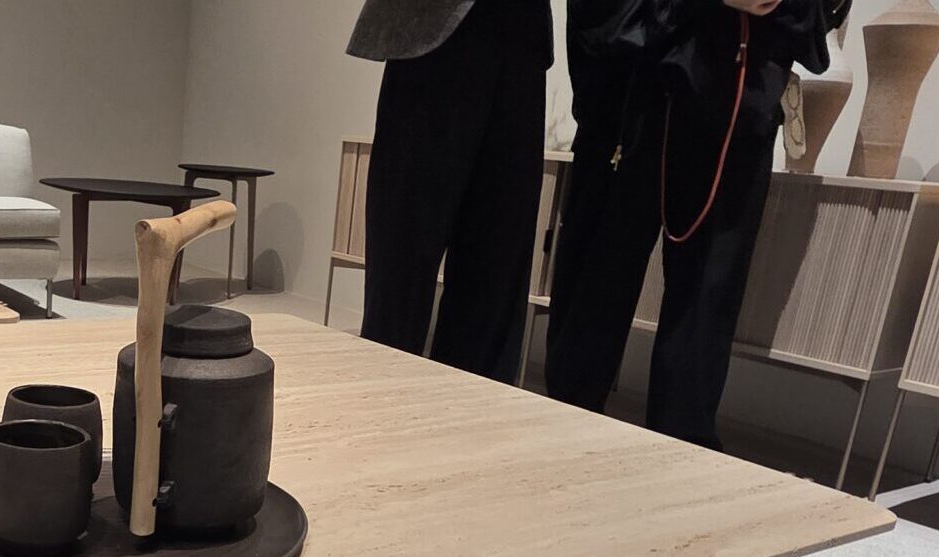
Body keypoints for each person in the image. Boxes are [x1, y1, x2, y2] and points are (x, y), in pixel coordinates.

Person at [545, 0, 850, 448]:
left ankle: (681, 459)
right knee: (598, 280)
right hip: (634, 87)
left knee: (708, 296)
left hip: (739, 95)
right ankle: (561, 435)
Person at [347, 0, 555, 383]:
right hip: (429, 26)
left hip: (524, 35)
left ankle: (470, 411)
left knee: (497, 270)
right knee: (403, 262)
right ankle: (381, 399)